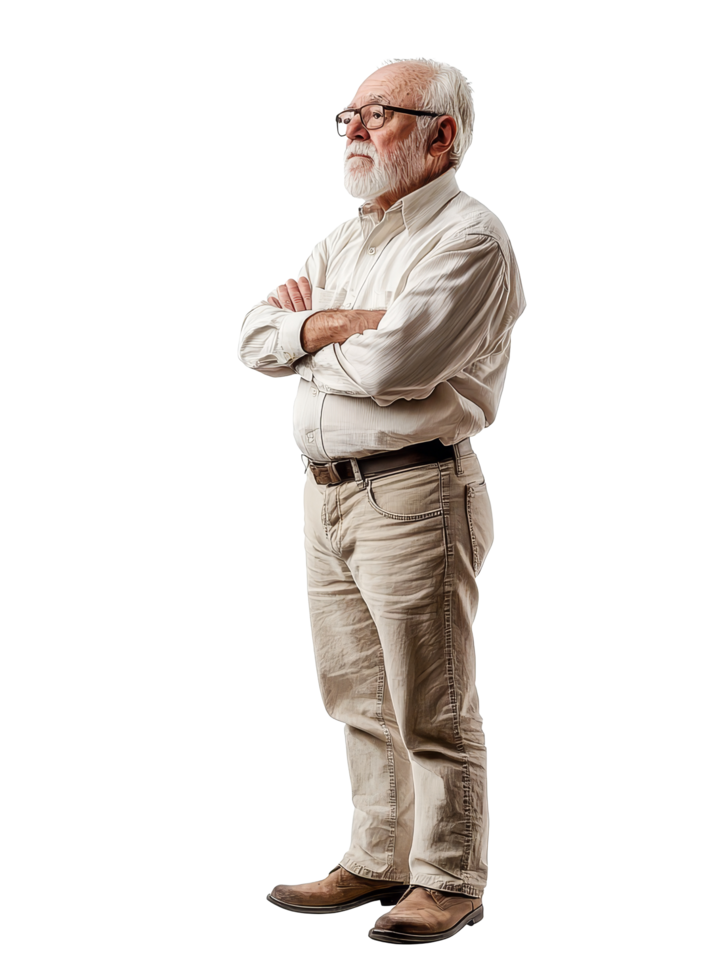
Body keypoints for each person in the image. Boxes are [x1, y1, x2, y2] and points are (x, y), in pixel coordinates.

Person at [237, 55, 525, 945]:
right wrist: (329, 324)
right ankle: (378, 859)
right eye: (350, 115)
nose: (355, 128)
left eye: (381, 113)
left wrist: (308, 340)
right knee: (356, 696)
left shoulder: (469, 239)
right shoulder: (349, 240)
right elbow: (254, 336)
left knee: (429, 705)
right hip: (327, 497)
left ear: (442, 136)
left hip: (414, 494)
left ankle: (448, 878)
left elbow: (400, 366)